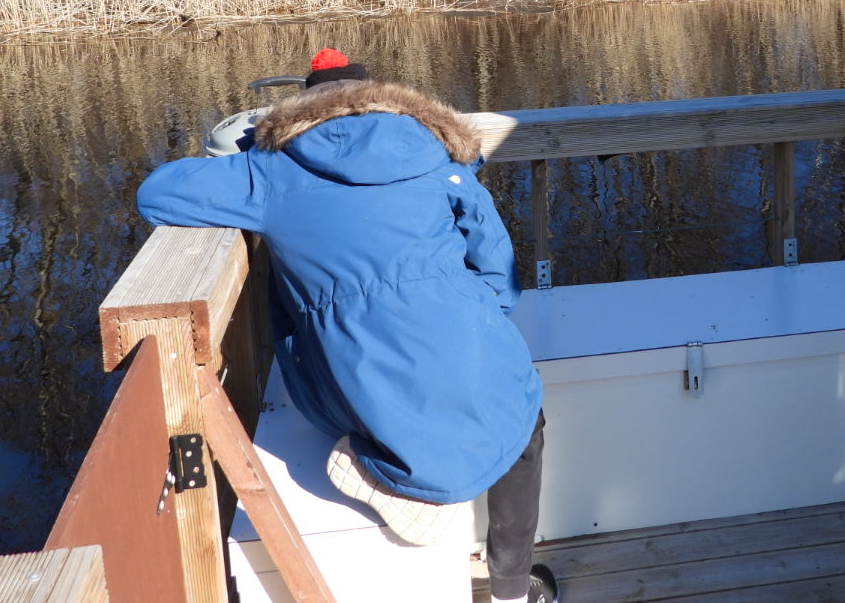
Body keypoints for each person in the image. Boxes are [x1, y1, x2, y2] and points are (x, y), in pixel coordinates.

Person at [136, 49, 557, 603]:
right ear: (381, 99)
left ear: (303, 108)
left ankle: (391, 473)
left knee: (393, 400)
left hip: (346, 381)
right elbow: (499, 272)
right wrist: (474, 314)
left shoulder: (270, 170)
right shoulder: (436, 154)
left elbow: (157, 193)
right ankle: (511, 590)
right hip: (472, 337)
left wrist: (241, 150)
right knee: (522, 416)